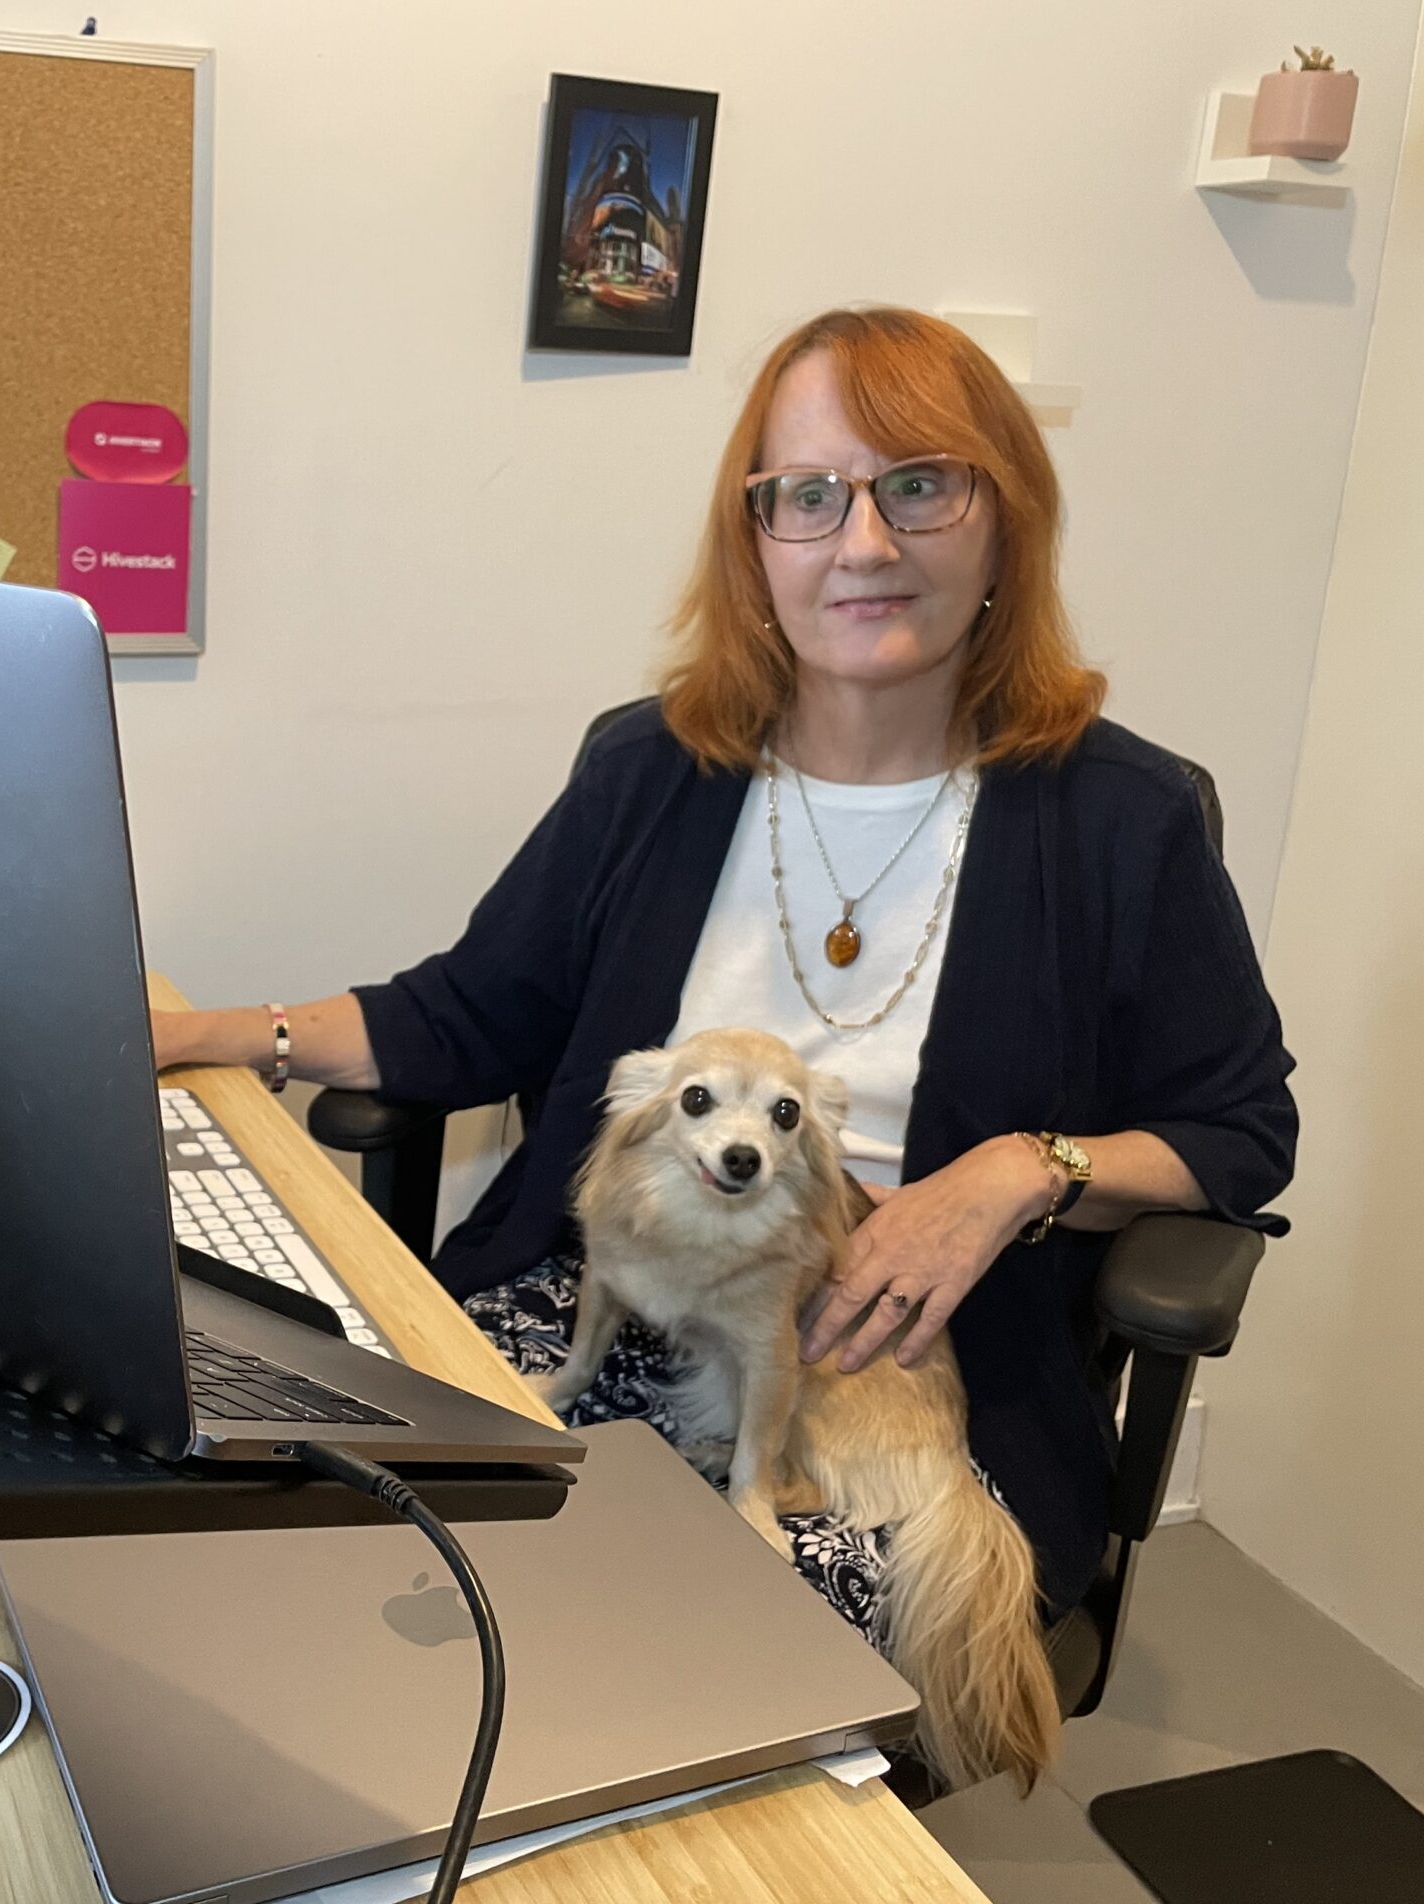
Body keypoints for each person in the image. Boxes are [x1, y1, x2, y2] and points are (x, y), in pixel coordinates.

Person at [152, 306, 1297, 1647]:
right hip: (602, 1296)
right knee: (328, 1559)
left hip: (895, 1372)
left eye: (919, 487)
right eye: (808, 496)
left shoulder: (1119, 822)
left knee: (671, 1650)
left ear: (1006, 522)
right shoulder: (656, 769)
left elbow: (1240, 1129)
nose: (864, 544)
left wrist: (1016, 1173)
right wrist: (191, 1031)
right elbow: (467, 1012)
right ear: (756, 543)